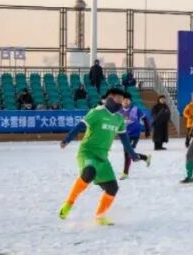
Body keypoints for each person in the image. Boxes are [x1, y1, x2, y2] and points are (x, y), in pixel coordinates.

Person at [58, 87, 150, 225]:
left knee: (113, 188)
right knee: (89, 172)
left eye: (122, 99)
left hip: (103, 158)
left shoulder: (119, 118)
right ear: (110, 98)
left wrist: (132, 154)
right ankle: (68, 204)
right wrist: (67, 139)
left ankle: (100, 217)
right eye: (118, 98)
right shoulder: (97, 112)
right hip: (87, 152)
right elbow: (80, 126)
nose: (121, 101)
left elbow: (124, 138)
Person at [119, 95, 151, 177]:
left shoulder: (136, 109)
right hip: (124, 135)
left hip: (135, 134)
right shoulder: (119, 111)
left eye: (127, 100)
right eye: (124, 100)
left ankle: (125, 173)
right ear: (121, 102)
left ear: (130, 101)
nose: (125, 101)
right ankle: (145, 157)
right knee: (130, 154)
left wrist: (147, 130)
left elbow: (145, 119)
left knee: (128, 153)